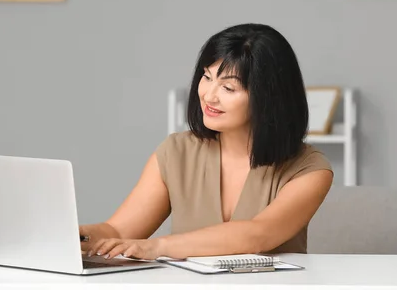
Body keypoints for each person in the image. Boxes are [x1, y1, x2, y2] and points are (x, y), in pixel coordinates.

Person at [81, 23, 333, 260]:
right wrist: (74, 237)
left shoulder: (310, 169)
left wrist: (159, 246)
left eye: (228, 88)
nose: (209, 96)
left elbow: (258, 234)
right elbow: (117, 231)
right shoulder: (176, 152)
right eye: (207, 77)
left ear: (267, 98)